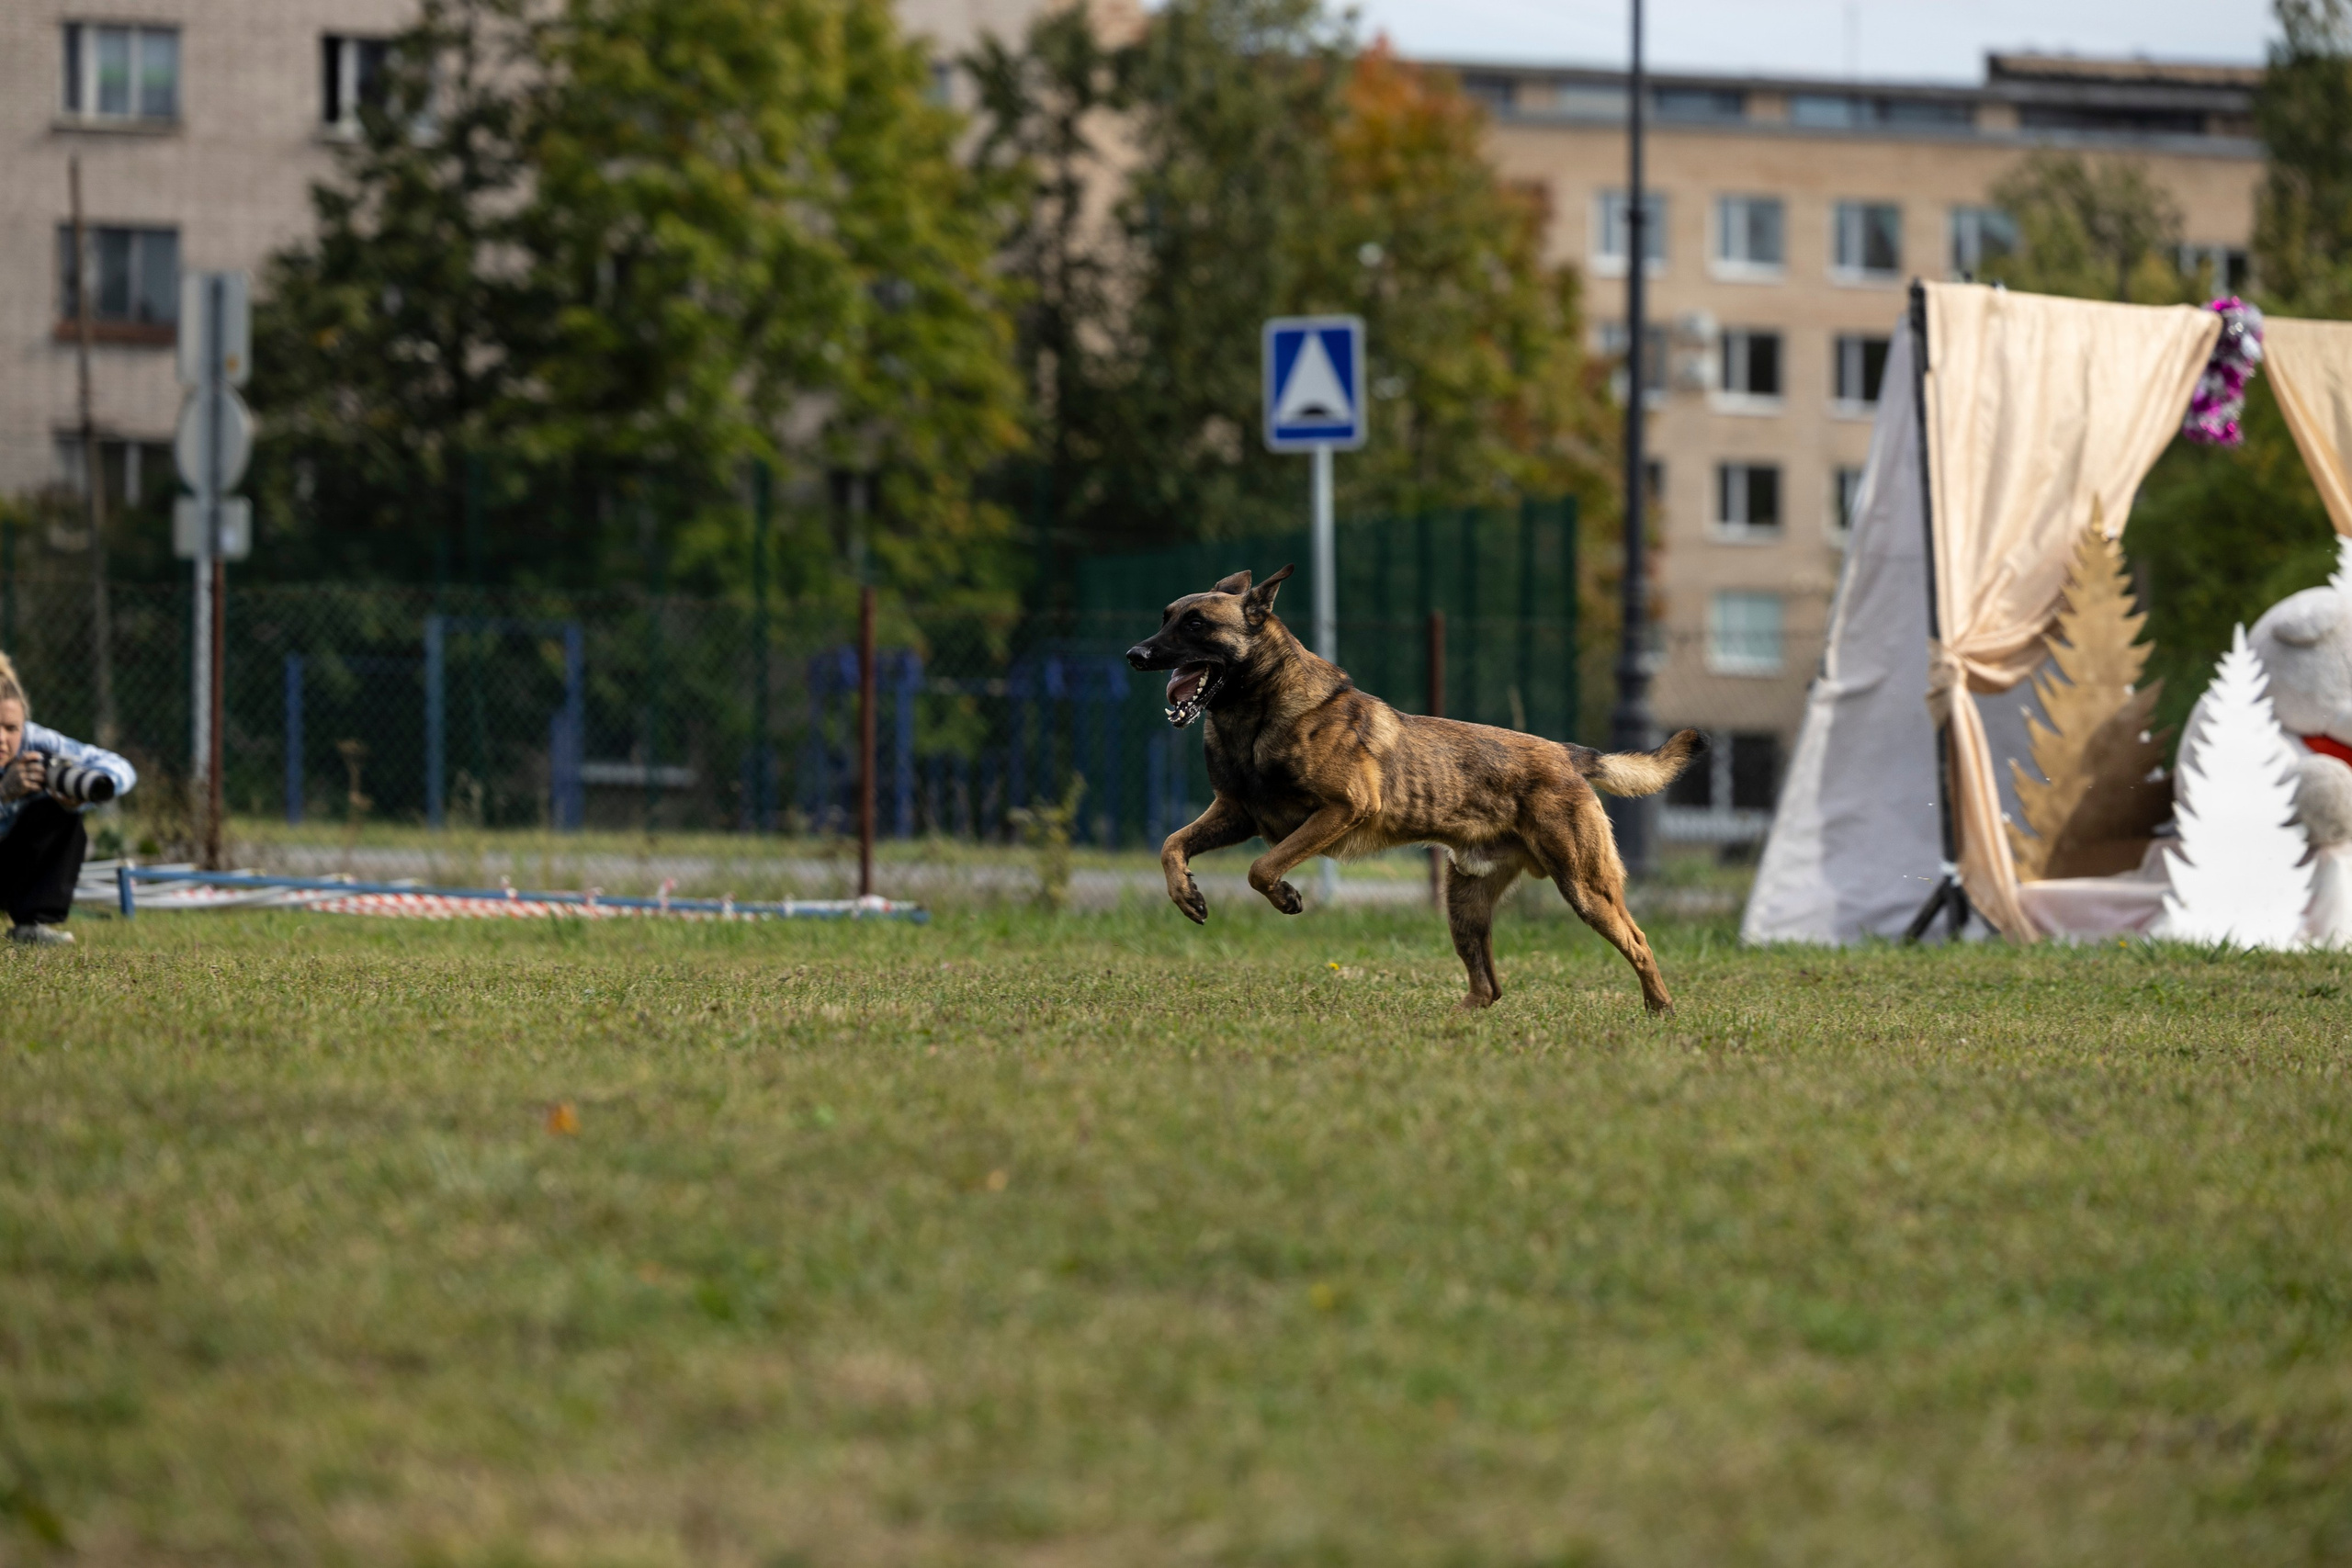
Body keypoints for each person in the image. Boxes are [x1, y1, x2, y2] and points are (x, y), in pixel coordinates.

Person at [0, 654, 136, 946]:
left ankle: (32, 925)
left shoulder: (35, 741)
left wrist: (80, 794)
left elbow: (122, 767)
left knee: (56, 810)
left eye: (11, 728)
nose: (3, 739)